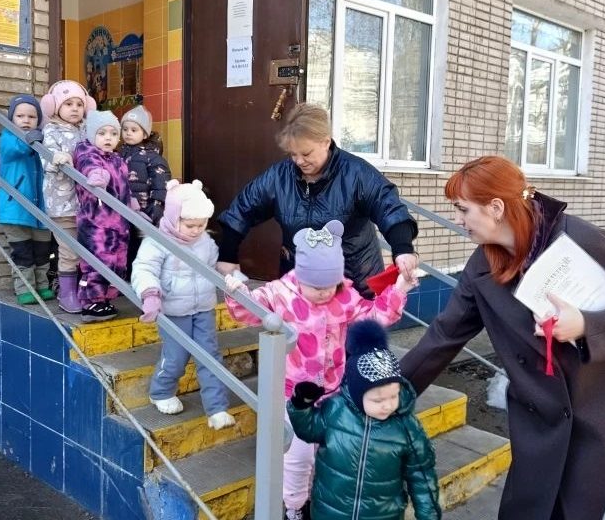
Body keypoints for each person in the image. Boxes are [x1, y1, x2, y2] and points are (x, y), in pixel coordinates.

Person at [398, 155, 605, 520]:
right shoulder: (481, 266)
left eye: (462, 209)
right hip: (541, 429)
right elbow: (443, 336)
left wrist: (585, 325)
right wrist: (387, 392)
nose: (456, 220)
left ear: (495, 208)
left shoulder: (580, 238)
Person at [224, 219, 414, 519]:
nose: (325, 293)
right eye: (316, 286)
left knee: (328, 453)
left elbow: (374, 317)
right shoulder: (282, 293)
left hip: (333, 393)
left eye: (330, 285)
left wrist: (399, 288)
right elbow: (250, 310)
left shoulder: (345, 297)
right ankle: (294, 506)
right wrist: (238, 292)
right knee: (297, 457)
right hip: (294, 396)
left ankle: (318, 501)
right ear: (301, 276)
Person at [216, 103, 419, 298]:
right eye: (293, 154)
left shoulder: (356, 173)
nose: (299, 161)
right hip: (299, 286)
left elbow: (389, 208)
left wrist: (402, 249)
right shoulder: (279, 176)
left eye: (306, 153)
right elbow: (243, 209)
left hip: (353, 286)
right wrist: (227, 255)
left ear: (325, 141)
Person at [287, 319, 441, 520]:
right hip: (330, 511)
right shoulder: (336, 411)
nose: (387, 405)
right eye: (378, 400)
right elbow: (307, 430)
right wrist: (300, 405)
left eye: (393, 396)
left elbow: (422, 477)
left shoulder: (406, 428)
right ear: (357, 394)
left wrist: (429, 515)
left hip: (382, 515)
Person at [131, 179, 236, 431]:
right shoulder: (157, 242)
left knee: (210, 356)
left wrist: (232, 278)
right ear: (173, 217)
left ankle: (217, 408)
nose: (196, 230)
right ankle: (161, 391)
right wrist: (150, 294)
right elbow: (144, 269)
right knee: (176, 356)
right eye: (190, 225)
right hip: (174, 311)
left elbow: (215, 266)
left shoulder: (205, 241)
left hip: (203, 308)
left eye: (202, 225)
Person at [0, 94, 51, 304]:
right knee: (22, 251)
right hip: (15, 207)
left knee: (42, 251)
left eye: (32, 117)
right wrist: (33, 139)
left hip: (41, 209)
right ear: (11, 118)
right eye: (20, 116)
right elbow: (18, 149)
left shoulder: (41, 139)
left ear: (38, 119)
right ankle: (25, 289)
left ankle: (42, 286)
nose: (26, 120)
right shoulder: (9, 136)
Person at [40, 80, 97, 313]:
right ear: (54, 107)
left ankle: (85, 290)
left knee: (88, 249)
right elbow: (46, 160)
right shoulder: (51, 130)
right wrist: (58, 158)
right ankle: (67, 294)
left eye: (79, 104)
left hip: (87, 204)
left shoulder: (87, 130)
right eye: (68, 104)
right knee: (69, 251)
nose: (75, 108)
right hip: (62, 204)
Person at [73, 110, 132, 322]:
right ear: (91, 135)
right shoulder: (87, 153)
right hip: (96, 220)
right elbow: (90, 167)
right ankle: (91, 302)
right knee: (98, 260)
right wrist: (97, 175)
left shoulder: (118, 160)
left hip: (119, 222)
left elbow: (125, 188)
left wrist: (134, 207)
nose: (108, 138)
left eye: (113, 134)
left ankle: (105, 299)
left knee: (117, 260)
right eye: (102, 133)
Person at [119, 105, 171, 274]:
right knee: (125, 246)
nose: (128, 133)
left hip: (145, 213)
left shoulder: (154, 158)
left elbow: (161, 185)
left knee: (143, 249)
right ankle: (126, 276)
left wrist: (156, 208)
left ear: (145, 134)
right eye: (125, 129)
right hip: (123, 211)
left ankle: (142, 277)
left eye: (134, 130)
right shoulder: (118, 154)